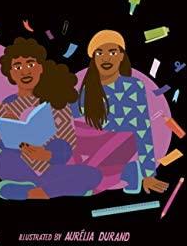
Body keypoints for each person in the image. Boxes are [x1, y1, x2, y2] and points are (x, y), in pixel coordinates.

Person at [0, 37, 102, 200]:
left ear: (40, 68)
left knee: (93, 175)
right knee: (3, 160)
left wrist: (48, 154)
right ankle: (57, 189)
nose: (25, 71)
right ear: (10, 73)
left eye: (30, 64)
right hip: (22, 165)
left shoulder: (56, 99)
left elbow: (68, 141)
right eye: (17, 66)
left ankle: (31, 192)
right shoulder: (7, 104)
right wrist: (7, 130)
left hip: (51, 168)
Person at [71, 30, 169, 194]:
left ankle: (125, 172)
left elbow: (142, 129)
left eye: (112, 51)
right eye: (99, 52)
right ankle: (126, 172)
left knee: (88, 179)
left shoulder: (134, 86)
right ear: (94, 59)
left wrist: (149, 174)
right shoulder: (88, 88)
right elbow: (72, 116)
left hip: (121, 142)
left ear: (122, 56)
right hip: (96, 140)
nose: (106, 58)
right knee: (67, 135)